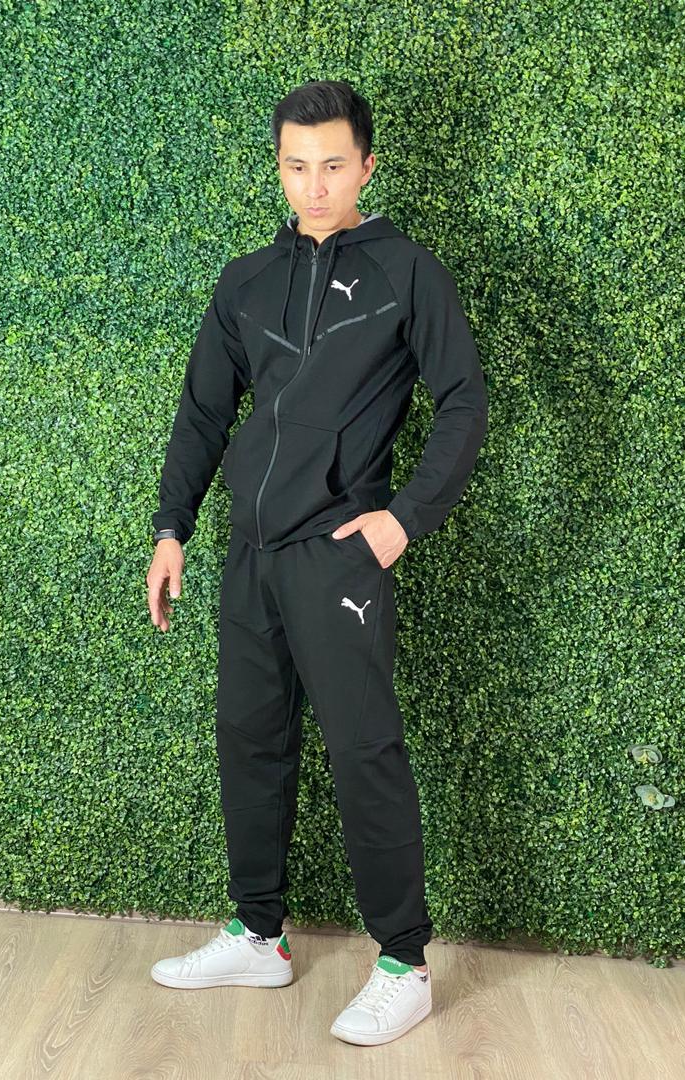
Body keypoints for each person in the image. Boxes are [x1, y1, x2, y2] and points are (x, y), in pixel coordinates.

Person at [147, 79, 488, 1046]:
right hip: (249, 552)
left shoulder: (407, 272)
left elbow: (464, 402)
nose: (315, 185)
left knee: (363, 748)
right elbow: (204, 412)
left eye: (333, 165)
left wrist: (404, 520)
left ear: (366, 166)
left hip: (340, 551)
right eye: (297, 166)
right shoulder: (247, 280)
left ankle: (403, 963)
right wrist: (172, 528)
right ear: (280, 167)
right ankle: (259, 935)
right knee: (248, 738)